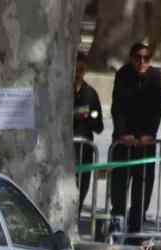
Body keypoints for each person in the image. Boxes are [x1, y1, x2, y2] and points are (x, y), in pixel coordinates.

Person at [110, 42, 161, 235]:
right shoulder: (123, 74)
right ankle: (116, 224)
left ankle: (135, 228)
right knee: (119, 185)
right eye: (138, 57)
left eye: (146, 58)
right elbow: (118, 108)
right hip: (124, 140)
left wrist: (149, 134)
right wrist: (123, 133)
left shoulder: (156, 76)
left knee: (143, 186)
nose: (142, 61)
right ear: (132, 58)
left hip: (145, 142)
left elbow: (157, 110)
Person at [73, 52, 104, 216]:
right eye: (75, 69)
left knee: (81, 187)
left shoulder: (91, 94)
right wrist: (73, 114)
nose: (78, 73)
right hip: (66, 150)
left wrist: (87, 117)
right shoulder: (62, 91)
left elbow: (99, 126)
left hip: (84, 149)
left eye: (81, 69)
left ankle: (76, 217)